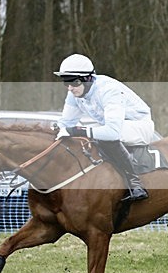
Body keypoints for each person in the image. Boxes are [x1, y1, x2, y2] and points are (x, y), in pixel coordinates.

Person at [54, 53, 154, 202]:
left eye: (73, 83)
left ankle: (135, 184)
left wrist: (77, 130)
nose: (70, 88)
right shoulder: (74, 94)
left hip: (138, 125)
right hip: (114, 126)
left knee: (103, 137)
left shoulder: (108, 90)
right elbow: (66, 123)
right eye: (65, 83)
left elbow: (112, 133)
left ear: (87, 79)